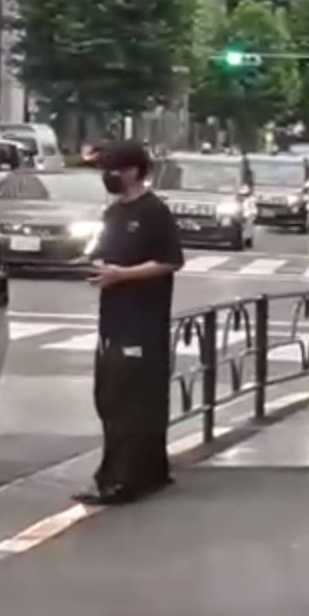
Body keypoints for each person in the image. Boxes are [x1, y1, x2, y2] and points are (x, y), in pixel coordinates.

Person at [84, 141, 184, 506]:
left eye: (112, 169)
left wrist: (122, 275)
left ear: (132, 171)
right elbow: (105, 254)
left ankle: (128, 479)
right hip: (112, 318)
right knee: (109, 397)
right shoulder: (114, 214)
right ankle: (122, 472)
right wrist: (98, 267)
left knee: (132, 401)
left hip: (142, 321)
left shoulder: (154, 211)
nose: (107, 176)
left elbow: (171, 261)